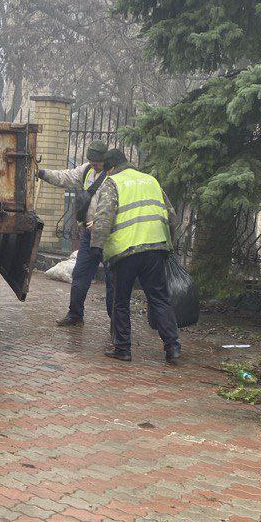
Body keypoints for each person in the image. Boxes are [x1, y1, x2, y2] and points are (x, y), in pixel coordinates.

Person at [89, 149, 181, 364]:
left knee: (121, 300)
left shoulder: (113, 182)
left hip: (126, 252)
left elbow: (104, 216)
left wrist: (96, 246)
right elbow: (172, 216)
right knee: (159, 298)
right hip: (155, 248)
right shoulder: (151, 180)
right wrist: (168, 245)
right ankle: (172, 347)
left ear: (111, 167)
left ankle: (123, 348)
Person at [37, 140, 113, 327]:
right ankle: (75, 314)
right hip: (88, 234)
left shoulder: (114, 174)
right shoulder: (86, 171)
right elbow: (65, 177)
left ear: (105, 159)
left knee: (113, 279)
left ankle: (116, 321)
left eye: (97, 162)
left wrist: (101, 223)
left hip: (109, 235)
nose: (94, 165)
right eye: (91, 162)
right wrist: (42, 173)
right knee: (80, 274)